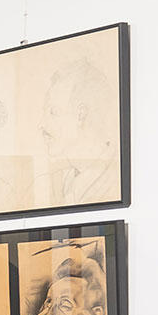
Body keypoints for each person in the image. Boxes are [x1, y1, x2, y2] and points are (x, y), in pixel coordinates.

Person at [38, 59, 120, 205]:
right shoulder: (62, 181)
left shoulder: (116, 178)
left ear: (81, 115)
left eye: (53, 112)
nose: (41, 125)